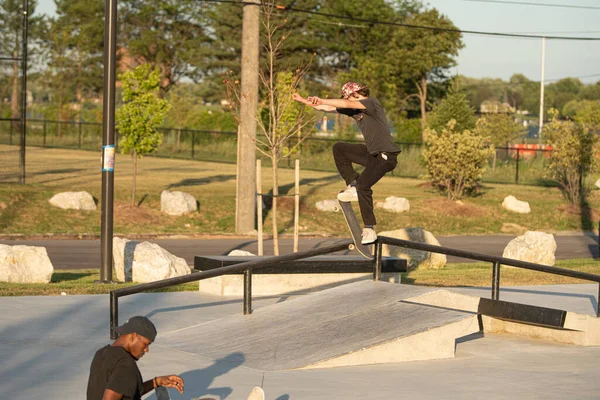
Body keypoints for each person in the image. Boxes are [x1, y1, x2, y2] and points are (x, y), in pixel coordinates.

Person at [293, 82, 400, 244]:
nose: (345, 100)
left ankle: (369, 228)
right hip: (372, 154)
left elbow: (345, 103)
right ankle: (352, 183)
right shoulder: (354, 108)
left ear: (355, 94)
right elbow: (329, 108)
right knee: (339, 148)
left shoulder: (371, 102)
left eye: (346, 96)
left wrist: (321, 99)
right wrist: (305, 101)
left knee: (364, 186)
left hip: (386, 157)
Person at [87, 316, 184, 400]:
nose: (146, 350)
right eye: (145, 344)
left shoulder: (101, 353)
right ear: (133, 336)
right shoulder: (126, 364)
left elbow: (124, 390)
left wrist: (156, 382)